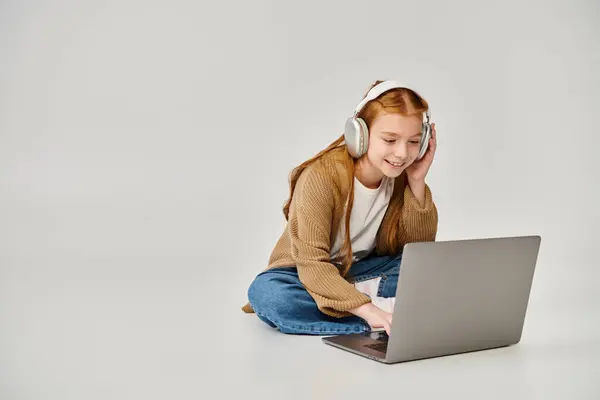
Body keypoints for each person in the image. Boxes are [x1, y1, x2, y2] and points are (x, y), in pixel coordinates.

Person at [241, 80, 438, 336]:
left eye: (414, 142)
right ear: (360, 134)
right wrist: (369, 311)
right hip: (302, 274)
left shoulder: (400, 178)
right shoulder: (320, 177)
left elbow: (415, 255)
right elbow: (312, 264)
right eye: (390, 139)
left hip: (358, 272)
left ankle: (361, 305)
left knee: (430, 271)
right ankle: (380, 317)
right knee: (270, 296)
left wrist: (416, 182)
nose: (402, 153)